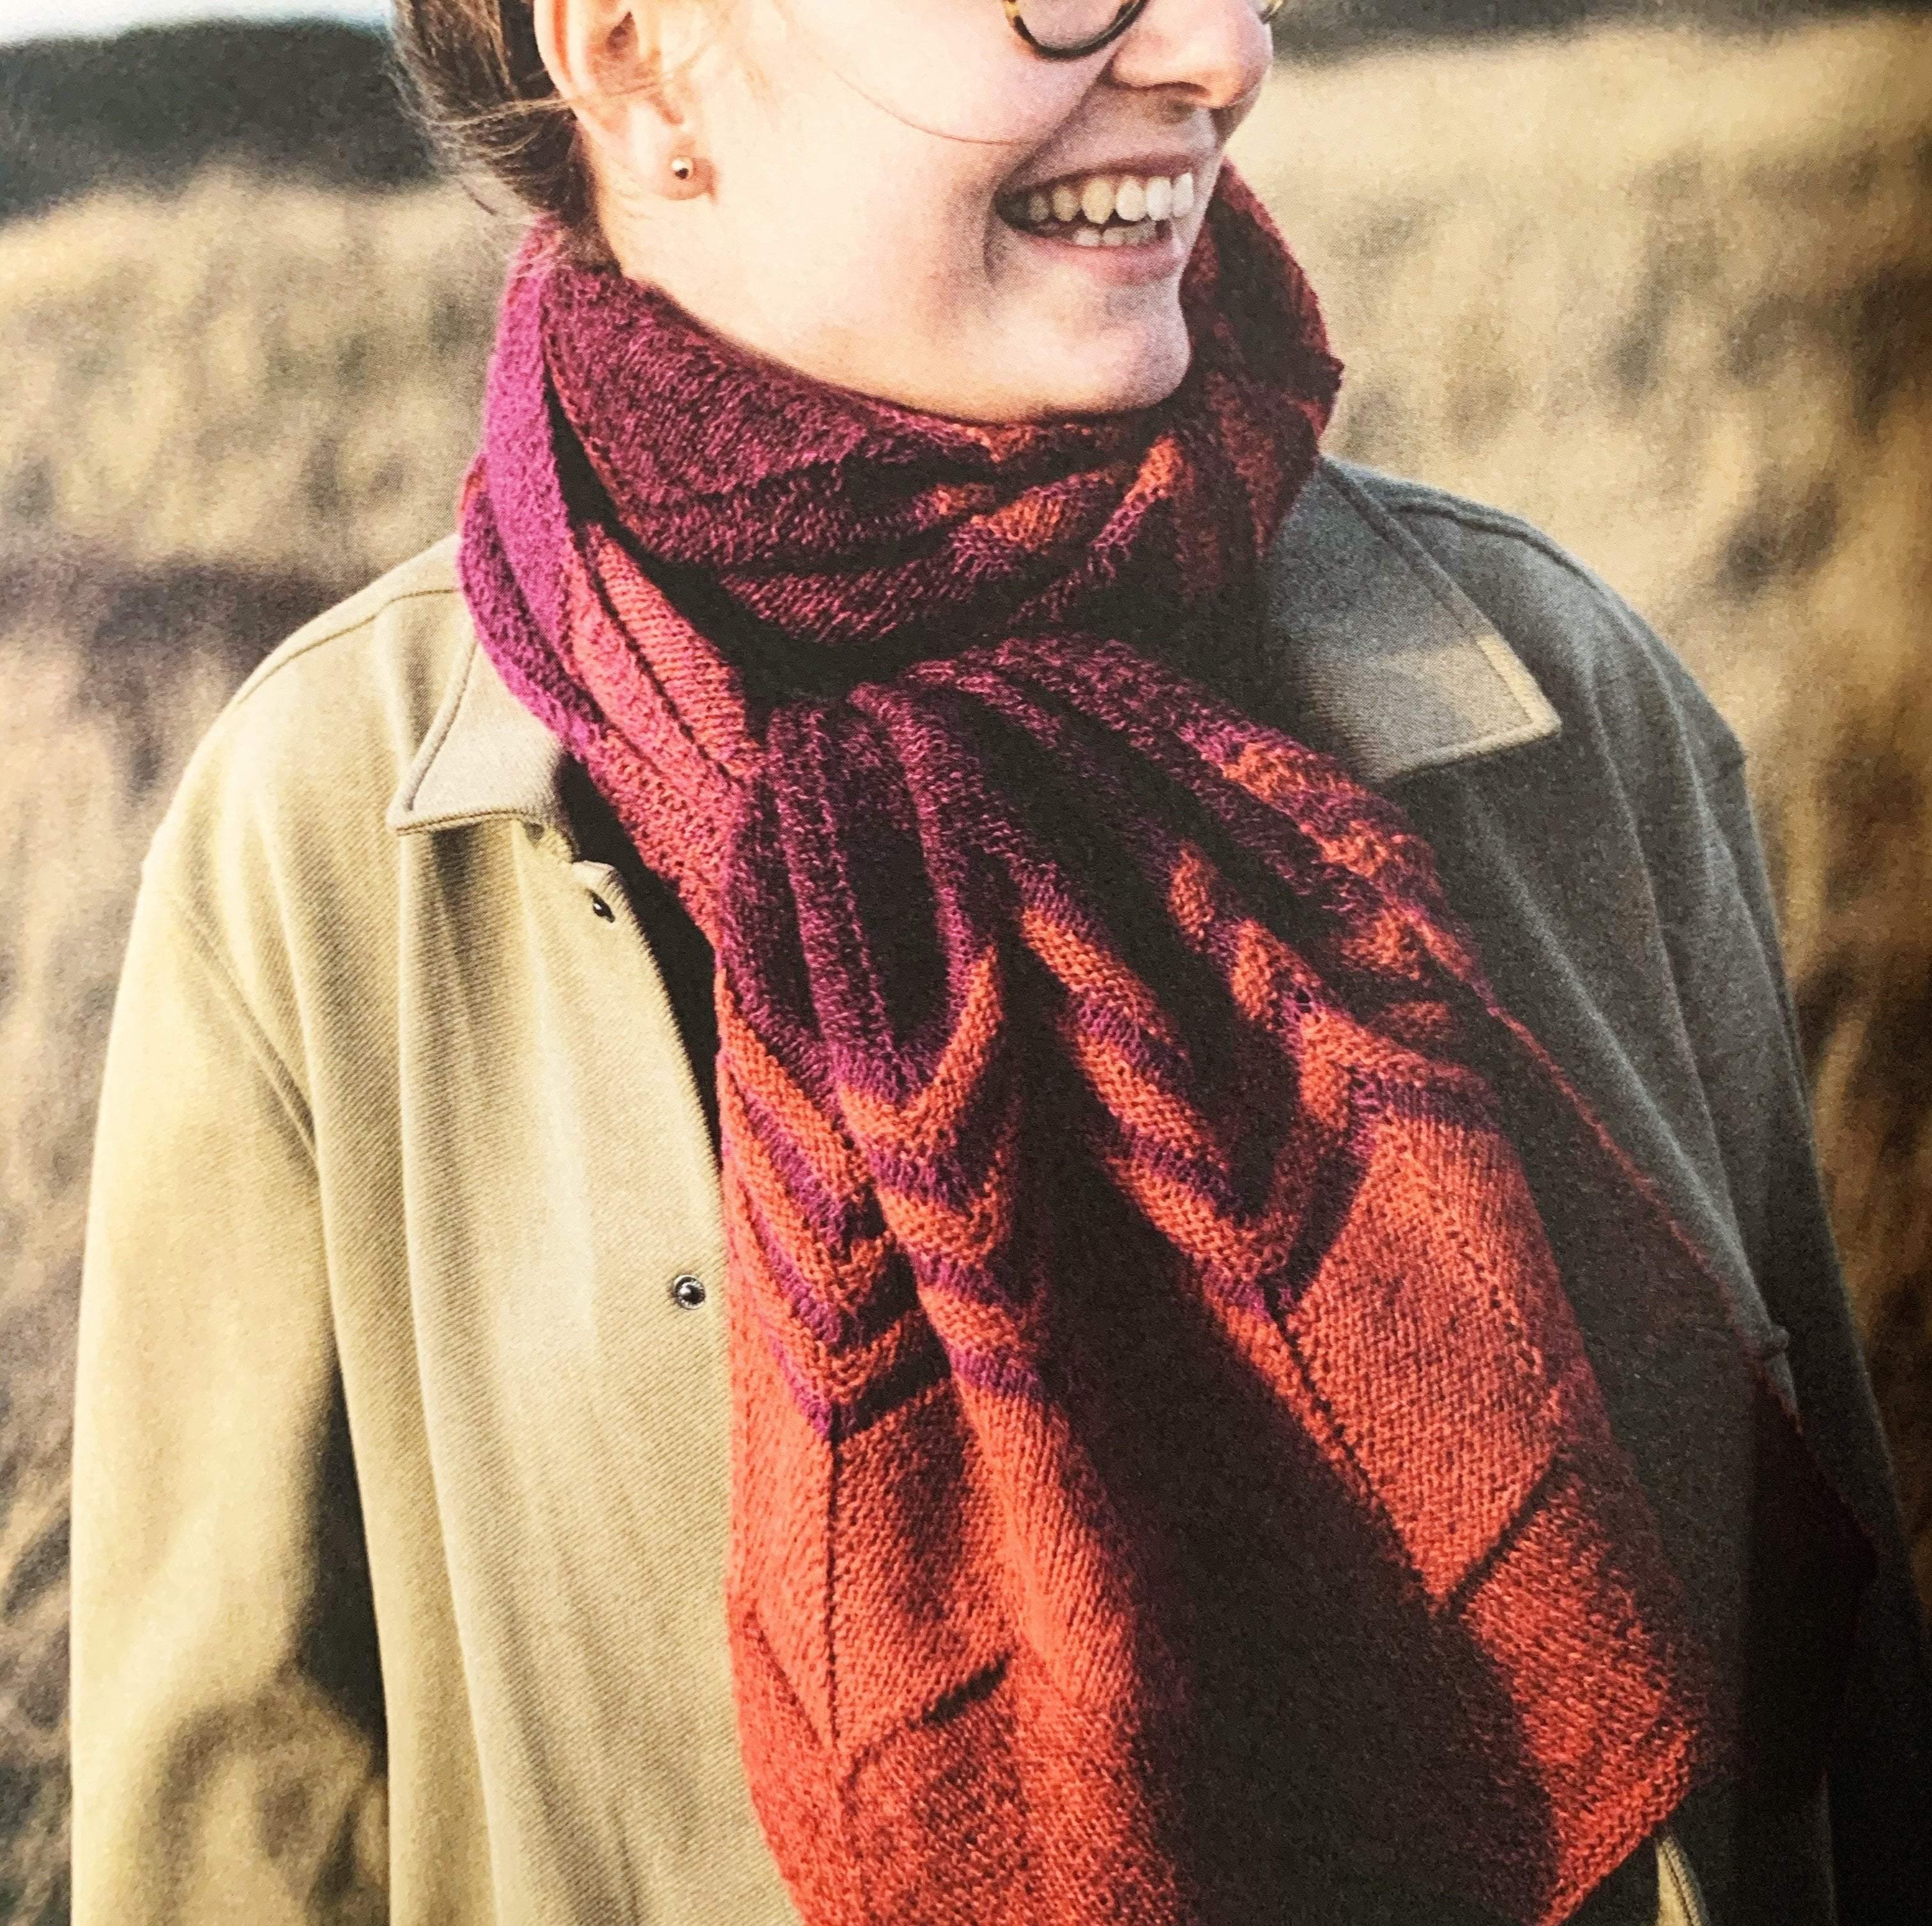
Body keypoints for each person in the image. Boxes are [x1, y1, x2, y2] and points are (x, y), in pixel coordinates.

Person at [67, 0, 1932, 1920]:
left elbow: (1856, 1763)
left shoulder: (1552, 697)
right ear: (631, 50)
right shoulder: (323, 842)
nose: (1218, 53)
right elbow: (245, 1844)